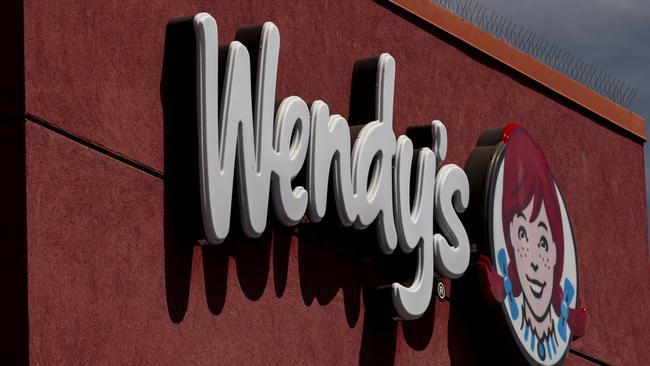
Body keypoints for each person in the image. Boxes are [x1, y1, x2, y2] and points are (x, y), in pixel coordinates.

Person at [478, 125, 586, 362]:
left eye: (544, 243)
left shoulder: (558, 328)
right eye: (523, 236)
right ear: (510, 241)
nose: (535, 262)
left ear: (558, 252)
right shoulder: (508, 304)